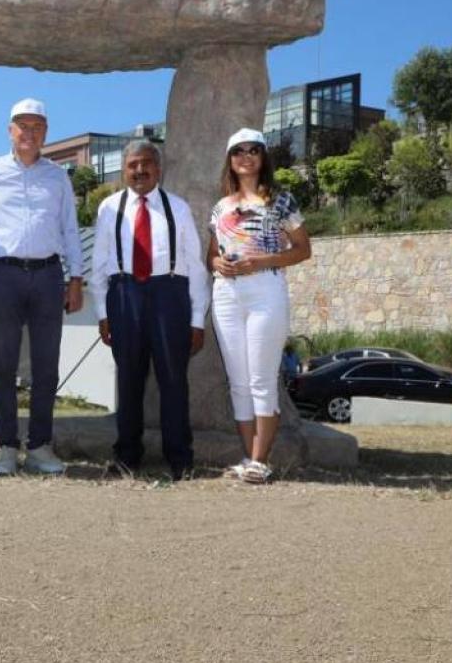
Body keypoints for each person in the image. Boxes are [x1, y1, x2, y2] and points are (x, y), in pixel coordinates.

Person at [0, 99, 84, 475]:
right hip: (3, 275)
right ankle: (7, 447)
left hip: (48, 275)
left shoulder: (58, 176)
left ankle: (41, 446)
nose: (29, 133)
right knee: (3, 364)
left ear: (45, 132)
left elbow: (70, 229)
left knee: (46, 365)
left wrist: (75, 278)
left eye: (37, 126)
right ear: (9, 130)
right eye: (22, 126)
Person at [88, 140, 209, 480]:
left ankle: (180, 458)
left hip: (169, 293)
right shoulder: (109, 208)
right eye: (132, 165)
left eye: (145, 164)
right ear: (124, 169)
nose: (139, 171)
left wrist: (197, 319)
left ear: (158, 168)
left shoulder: (179, 208)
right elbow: (99, 264)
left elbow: (196, 267)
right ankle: (127, 457)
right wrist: (102, 313)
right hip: (124, 294)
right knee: (128, 381)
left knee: (173, 380)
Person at [208, 128, 312, 484]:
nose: (246, 156)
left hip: (265, 292)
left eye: (254, 150)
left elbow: (302, 249)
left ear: (264, 156)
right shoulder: (221, 206)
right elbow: (212, 252)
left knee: (261, 379)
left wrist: (263, 261)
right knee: (238, 382)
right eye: (238, 151)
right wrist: (216, 264)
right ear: (230, 159)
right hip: (226, 294)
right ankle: (248, 457)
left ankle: (260, 460)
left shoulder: (280, 200)